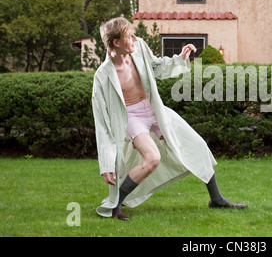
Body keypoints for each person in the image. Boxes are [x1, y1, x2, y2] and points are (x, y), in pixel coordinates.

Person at [92, 17, 247, 221]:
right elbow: (101, 123)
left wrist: (180, 58)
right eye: (129, 36)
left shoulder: (139, 48)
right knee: (152, 159)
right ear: (116, 43)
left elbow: (156, 66)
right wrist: (106, 164)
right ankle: (115, 205)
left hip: (154, 109)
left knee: (197, 144)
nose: (135, 38)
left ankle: (216, 199)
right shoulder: (103, 76)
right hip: (131, 117)